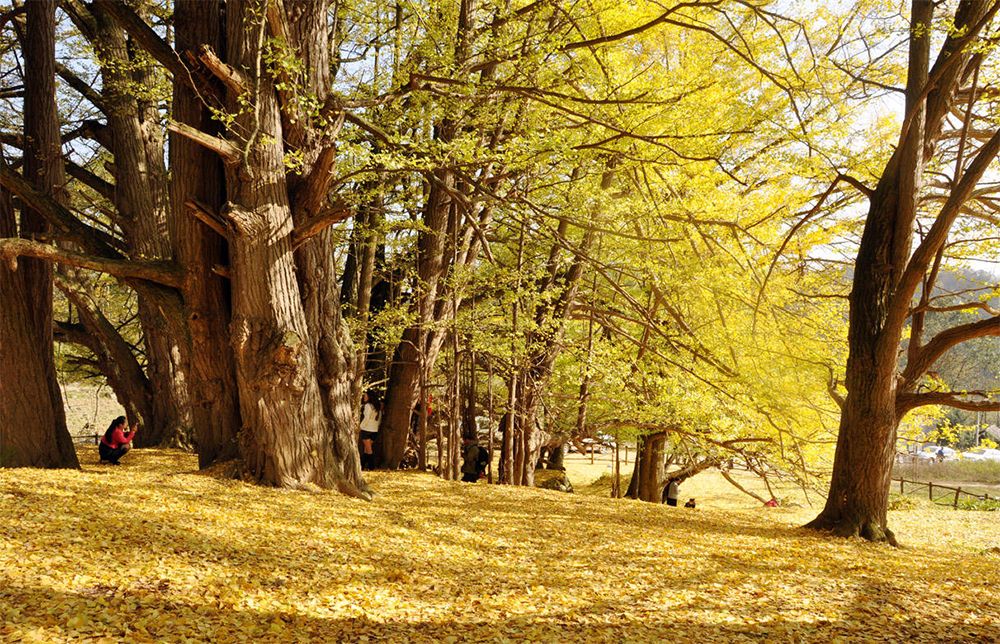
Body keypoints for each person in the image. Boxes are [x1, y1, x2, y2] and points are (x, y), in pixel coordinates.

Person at [359, 391, 381, 470]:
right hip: (374, 431)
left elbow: (366, 418)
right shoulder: (377, 406)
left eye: (365, 396)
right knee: (366, 449)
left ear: (370, 397)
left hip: (367, 430)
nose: (364, 397)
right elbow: (379, 420)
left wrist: (360, 427)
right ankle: (362, 466)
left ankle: (372, 467)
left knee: (368, 450)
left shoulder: (368, 406)